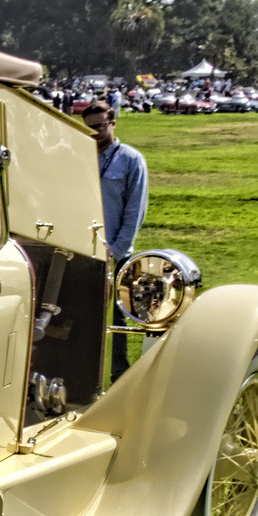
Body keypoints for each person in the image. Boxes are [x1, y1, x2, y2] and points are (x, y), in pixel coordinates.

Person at [83, 100, 147, 374]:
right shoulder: (81, 155)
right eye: (89, 128)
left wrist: (119, 248)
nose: (95, 132)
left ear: (113, 123)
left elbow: (135, 209)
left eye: (100, 126)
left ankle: (118, 370)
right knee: (81, 311)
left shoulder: (131, 159)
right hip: (83, 246)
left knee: (117, 315)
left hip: (116, 251)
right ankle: (83, 368)